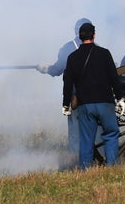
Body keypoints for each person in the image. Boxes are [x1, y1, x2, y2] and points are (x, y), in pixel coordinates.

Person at [62, 22, 125, 169]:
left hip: (85, 105)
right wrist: (120, 98)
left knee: (86, 140)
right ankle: (112, 167)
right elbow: (113, 78)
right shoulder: (104, 53)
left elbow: (68, 83)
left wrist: (66, 104)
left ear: (79, 37)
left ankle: (85, 170)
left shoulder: (72, 57)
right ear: (94, 35)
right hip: (105, 102)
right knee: (110, 134)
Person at [36, 17, 90, 153]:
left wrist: (46, 69)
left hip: (76, 94)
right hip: (86, 93)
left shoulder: (68, 48)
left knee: (75, 129)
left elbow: (57, 69)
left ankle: (76, 157)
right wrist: (48, 69)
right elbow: (59, 68)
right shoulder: (93, 47)